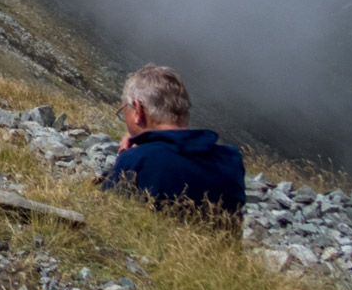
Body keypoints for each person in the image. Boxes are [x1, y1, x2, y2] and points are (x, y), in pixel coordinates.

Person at [101, 64, 245, 215]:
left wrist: (125, 158)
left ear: (137, 110)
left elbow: (109, 214)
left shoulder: (137, 160)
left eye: (124, 112)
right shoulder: (231, 160)